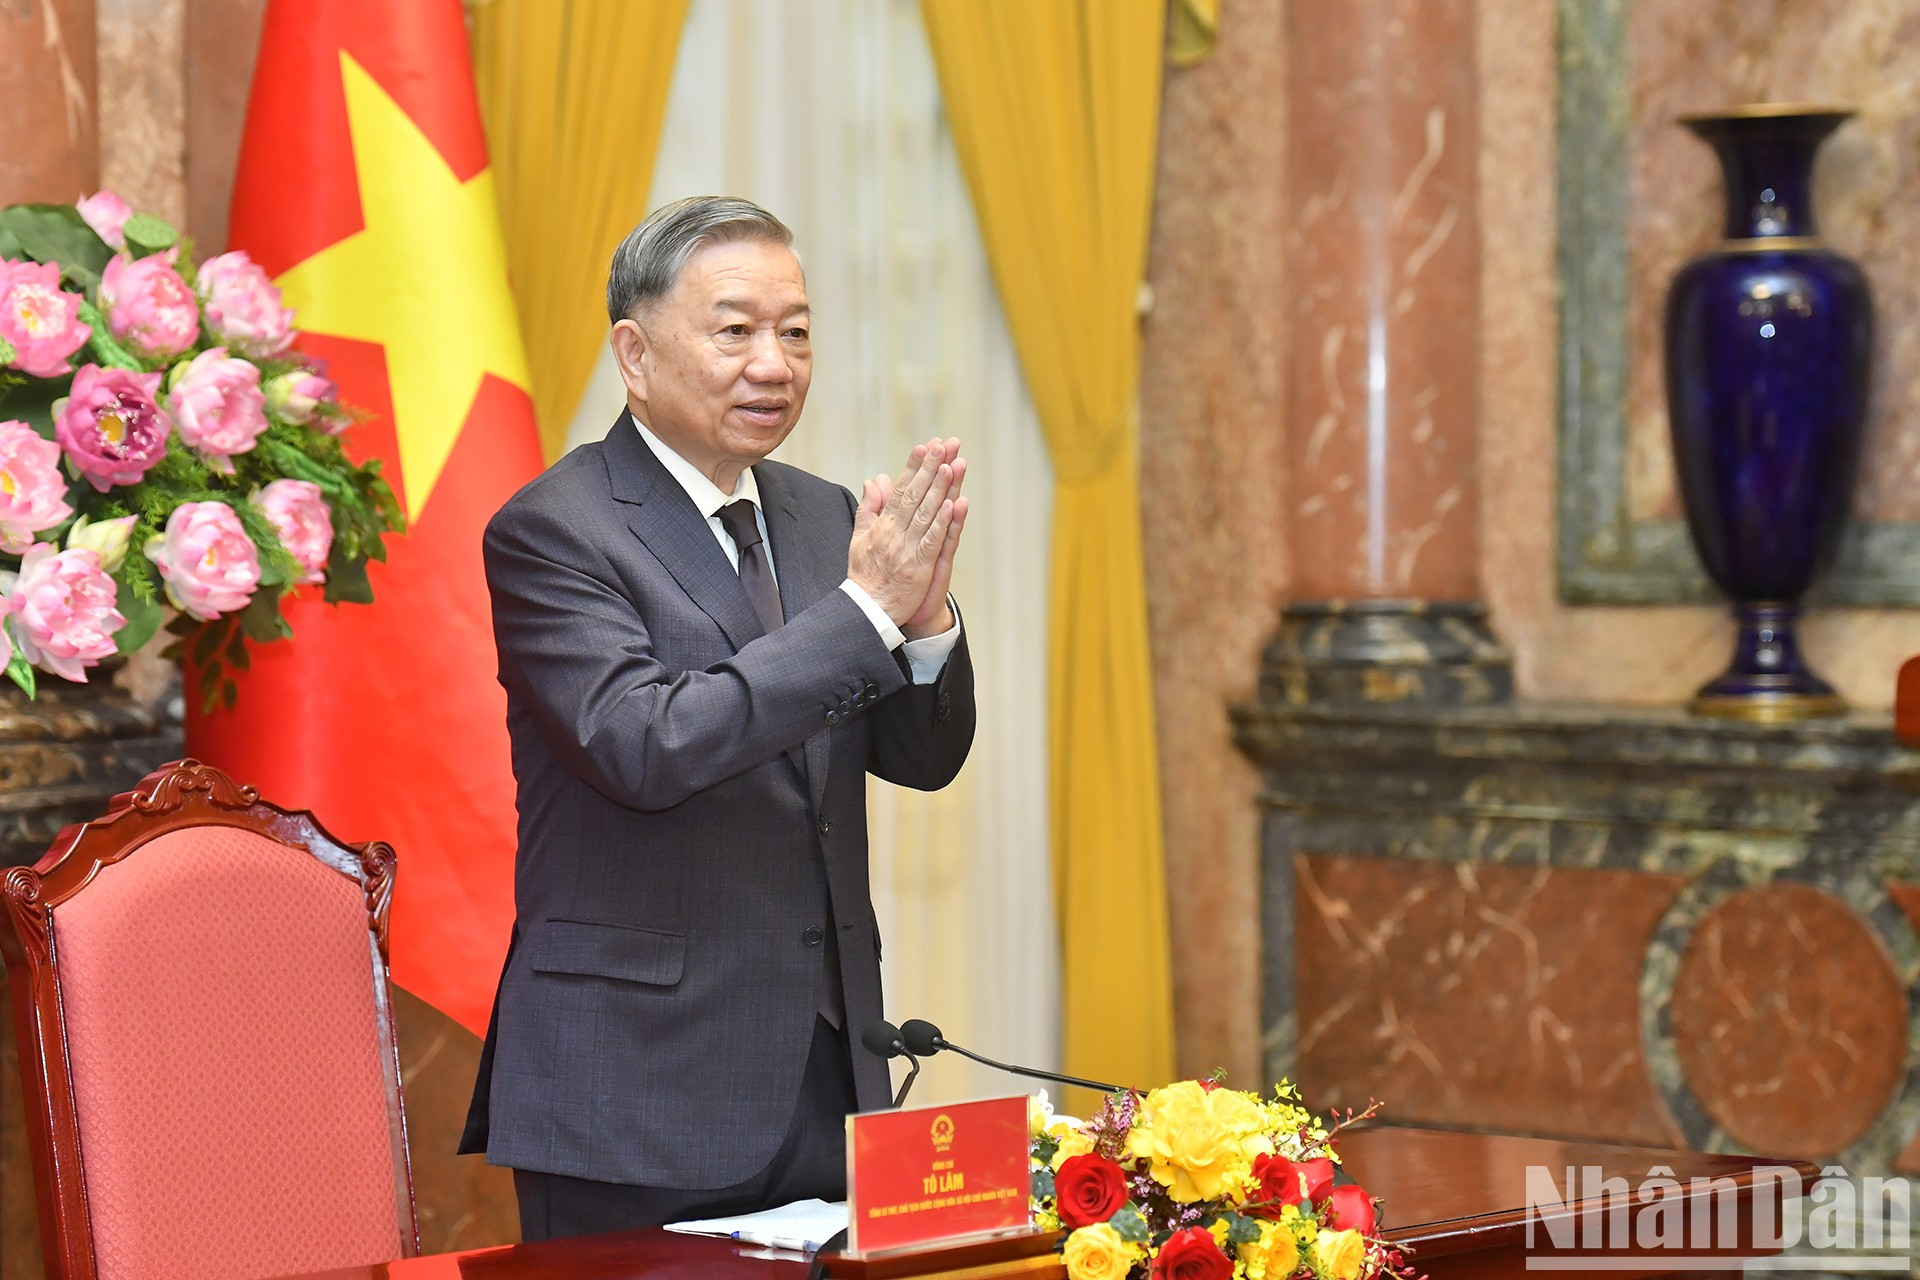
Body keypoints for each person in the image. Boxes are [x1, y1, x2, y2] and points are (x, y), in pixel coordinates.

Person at [458, 196, 976, 1240]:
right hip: (636, 1088)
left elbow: (918, 757)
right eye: (735, 329)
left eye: (795, 331)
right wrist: (865, 610)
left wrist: (923, 622)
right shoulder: (556, 529)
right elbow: (645, 743)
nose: (774, 364)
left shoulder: (822, 512)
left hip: (828, 1070)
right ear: (635, 353)